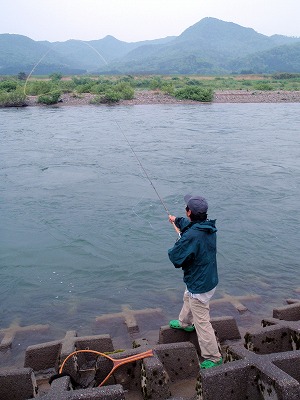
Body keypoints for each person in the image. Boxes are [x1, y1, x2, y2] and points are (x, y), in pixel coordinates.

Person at [168, 194, 222, 369]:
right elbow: (191, 227)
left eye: (186, 208)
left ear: (189, 211)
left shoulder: (191, 236)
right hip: (207, 277)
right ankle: (184, 322)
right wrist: (176, 220)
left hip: (200, 284)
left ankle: (213, 356)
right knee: (187, 297)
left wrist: (180, 241)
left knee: (202, 321)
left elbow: (176, 258)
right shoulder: (207, 227)